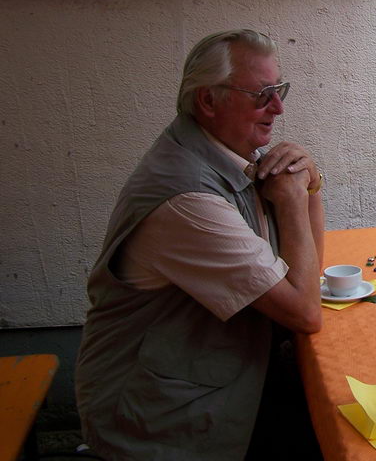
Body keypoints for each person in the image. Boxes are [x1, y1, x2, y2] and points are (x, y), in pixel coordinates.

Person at [75, 29, 324, 460]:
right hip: (162, 419)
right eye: (263, 93)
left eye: (279, 90)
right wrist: (291, 199)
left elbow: (309, 274)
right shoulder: (187, 199)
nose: (278, 108)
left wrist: (311, 186)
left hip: (217, 374)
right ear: (208, 101)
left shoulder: (223, 155)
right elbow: (304, 311)